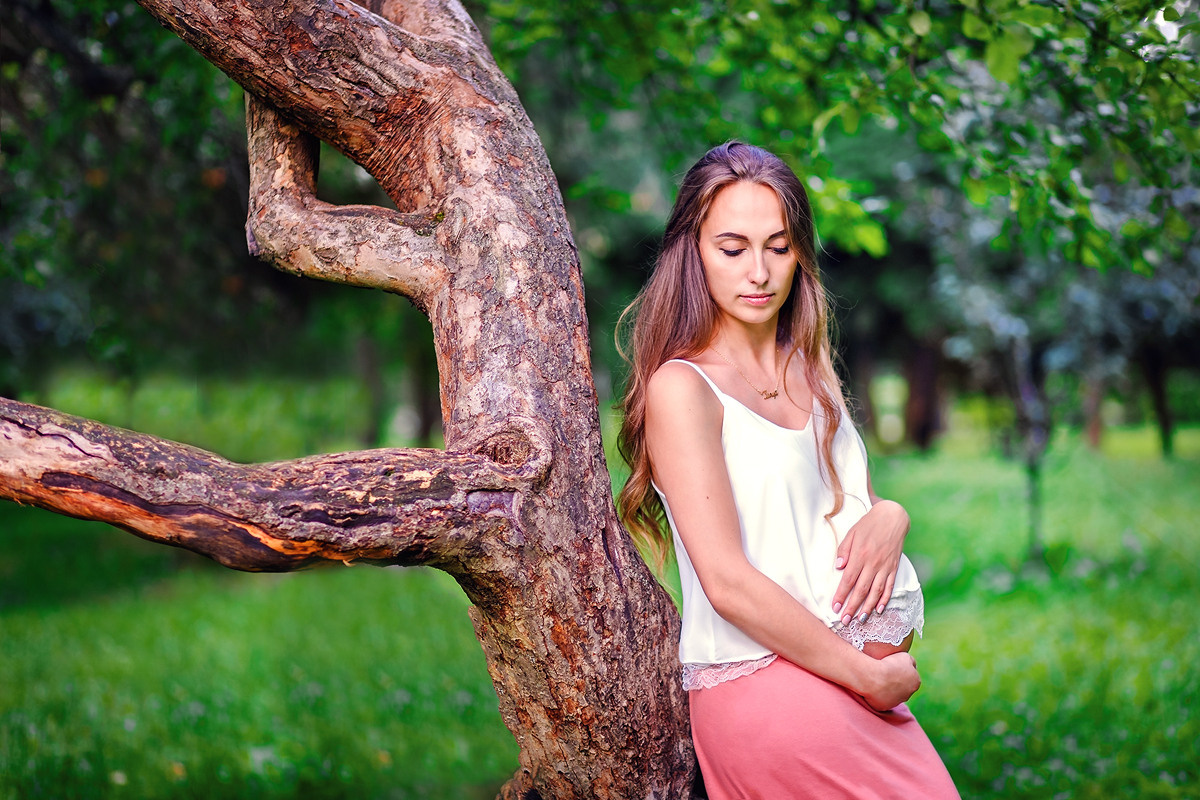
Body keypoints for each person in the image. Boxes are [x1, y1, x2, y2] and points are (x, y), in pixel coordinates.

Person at [618, 141, 960, 798]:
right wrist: (867, 677)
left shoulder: (811, 370)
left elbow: (839, 510)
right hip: (778, 690)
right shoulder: (683, 390)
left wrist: (894, 515)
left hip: (849, 688)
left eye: (778, 246)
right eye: (732, 247)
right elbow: (727, 582)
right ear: (693, 253)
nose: (759, 272)